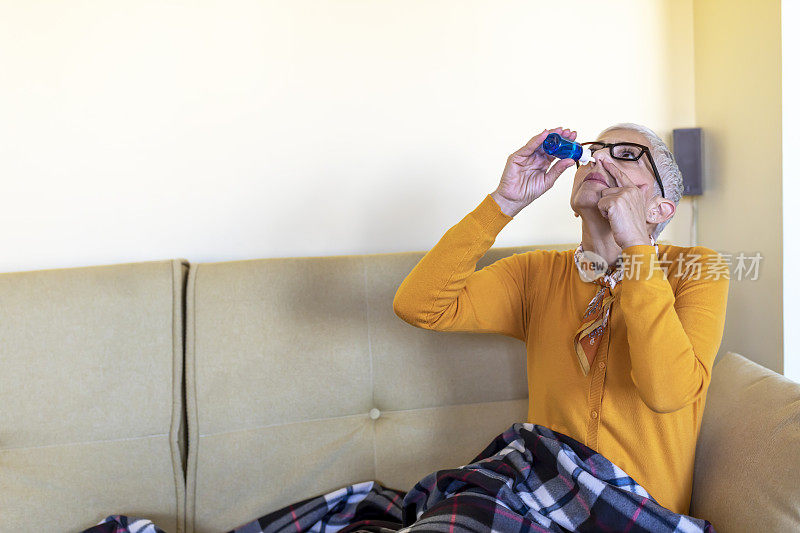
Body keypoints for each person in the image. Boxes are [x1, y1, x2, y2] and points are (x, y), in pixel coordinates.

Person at [392, 123, 730, 516]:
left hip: (636, 511)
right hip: (537, 494)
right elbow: (418, 305)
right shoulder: (534, 274)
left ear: (659, 209)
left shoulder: (698, 269)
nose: (597, 157)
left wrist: (636, 245)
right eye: (595, 150)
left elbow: (667, 393)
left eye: (624, 154)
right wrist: (503, 202)